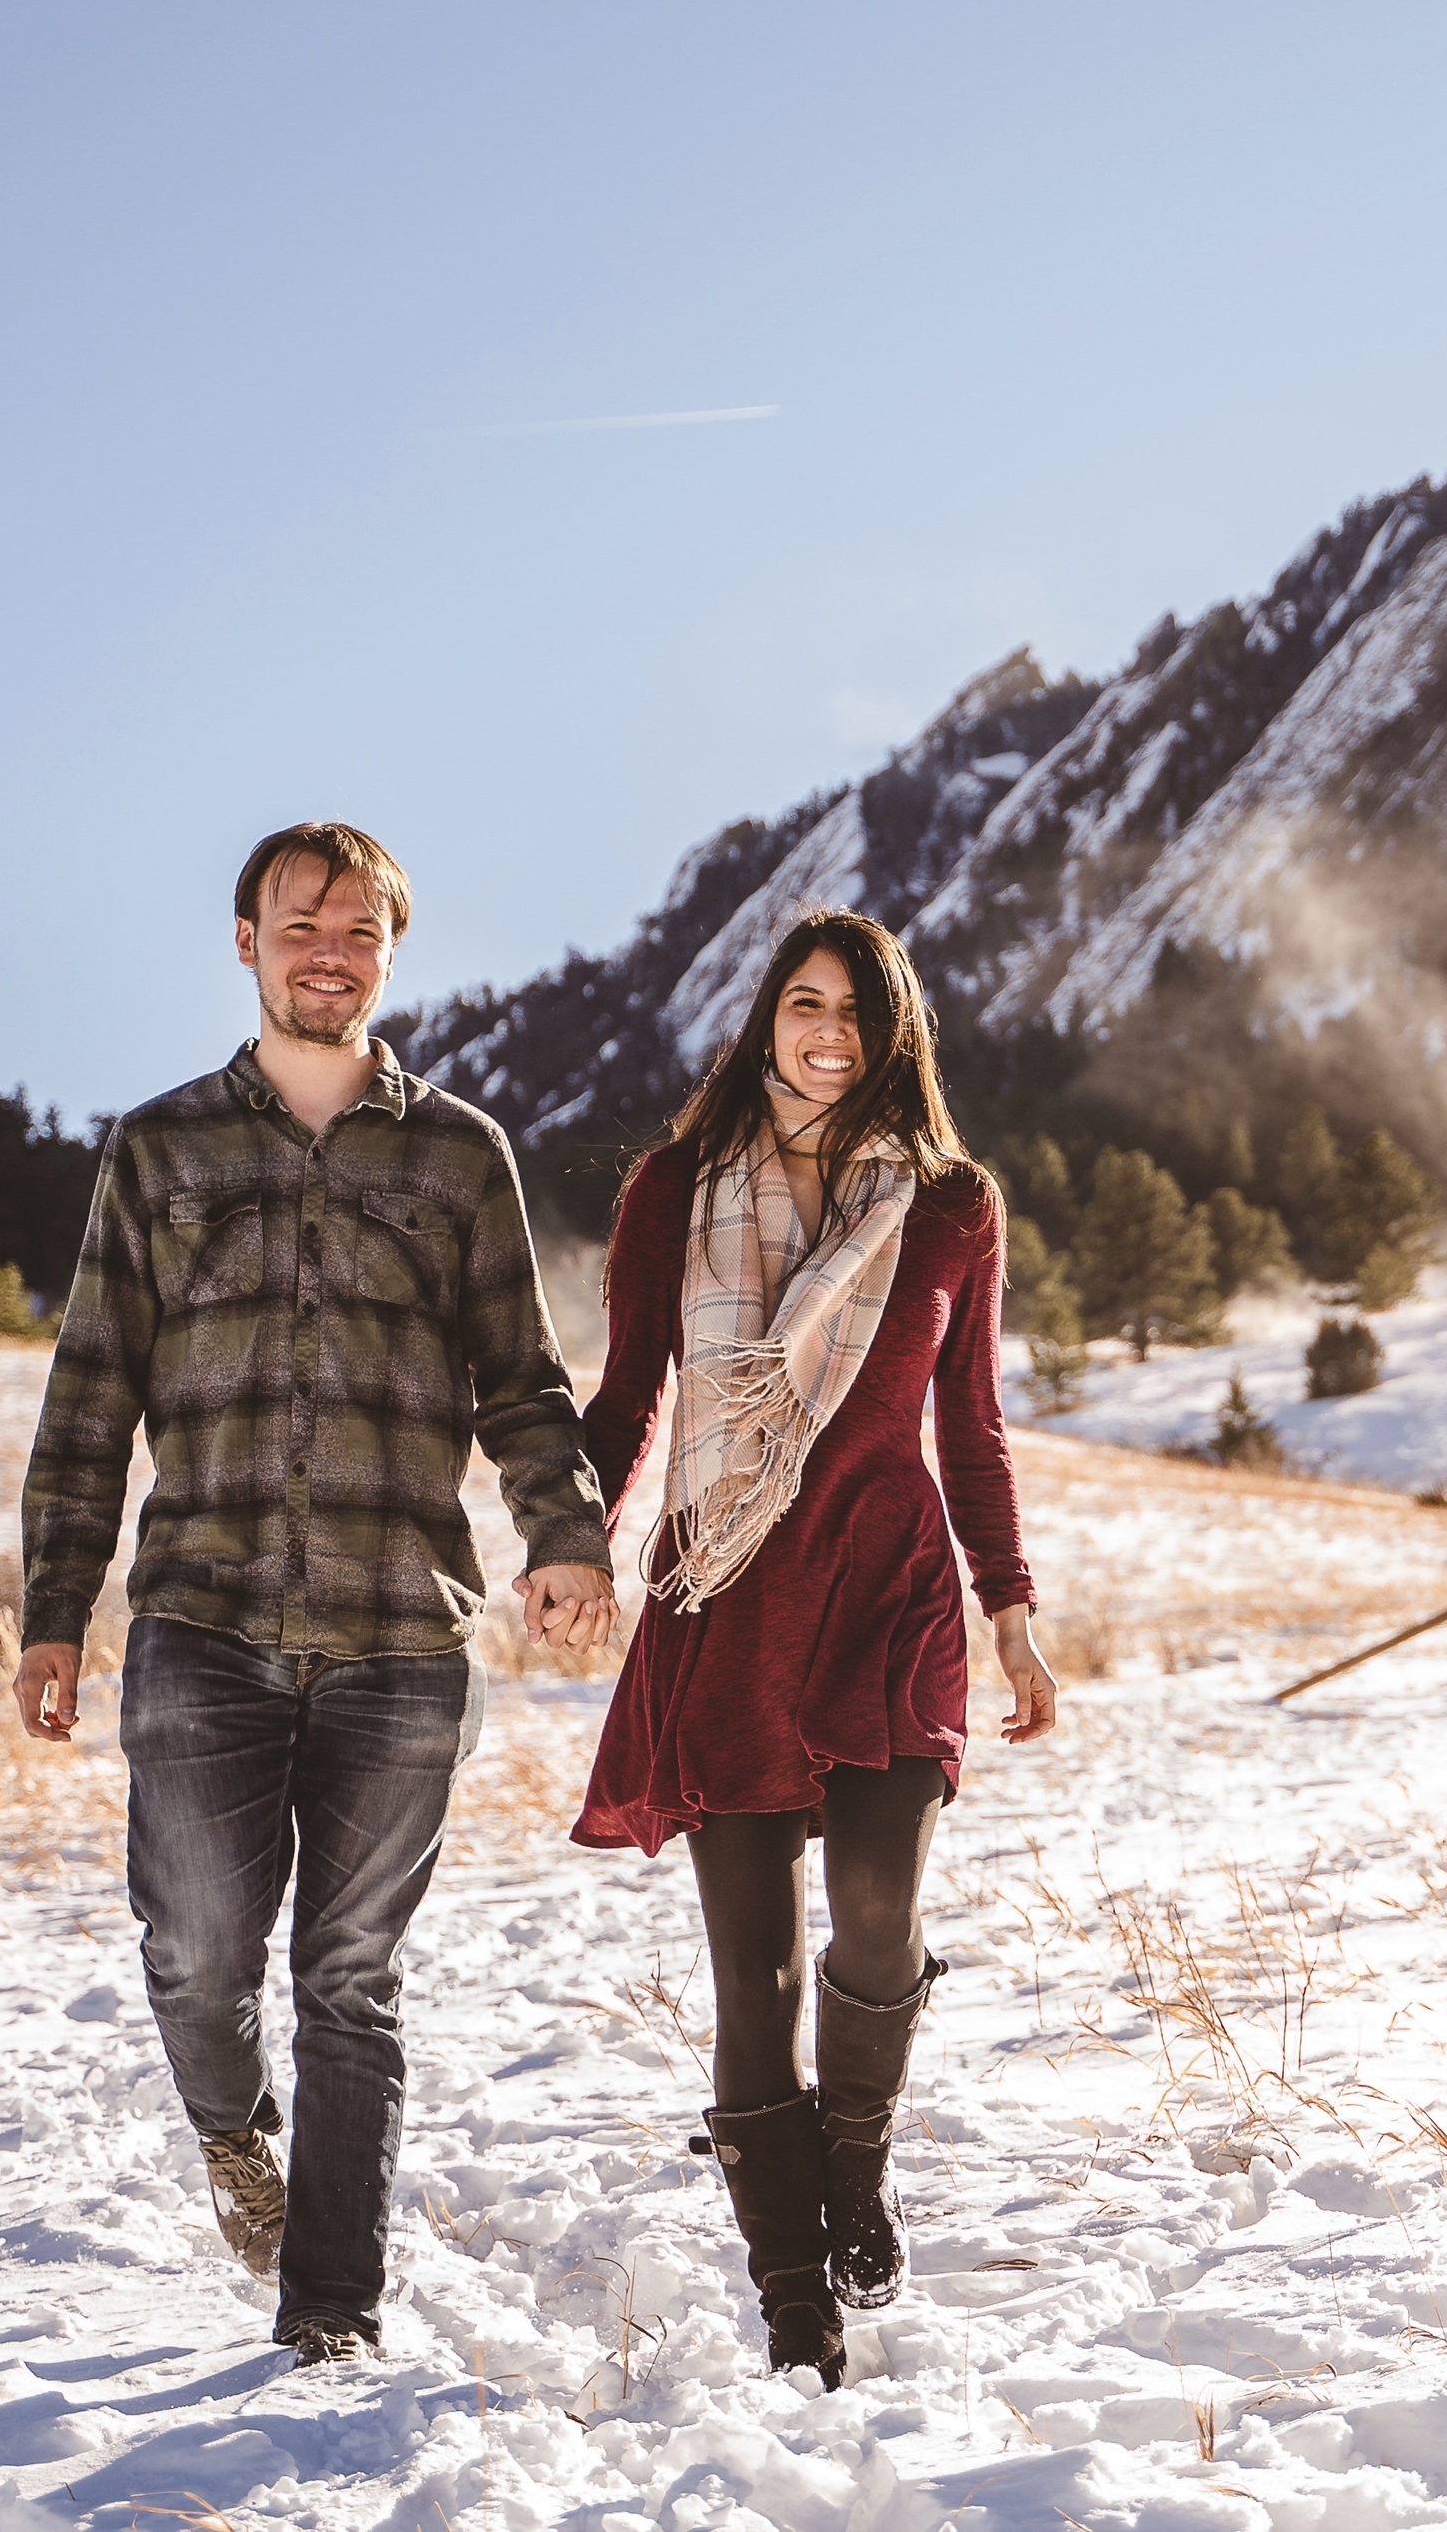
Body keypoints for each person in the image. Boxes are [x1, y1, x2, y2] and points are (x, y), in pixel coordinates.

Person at [18, 822, 619, 2364]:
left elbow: (525, 1382)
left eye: (360, 932)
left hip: (401, 1631)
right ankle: (232, 2129)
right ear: (247, 941)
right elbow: (91, 1395)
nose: (330, 952)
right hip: (200, 1621)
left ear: (390, 955)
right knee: (198, 1949)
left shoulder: (458, 1153)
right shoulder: (158, 1152)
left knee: (352, 1977)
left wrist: (564, 1535)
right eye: (302, 925)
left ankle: (329, 2309)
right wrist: (50, 1612)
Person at [570, 906, 1055, 2389]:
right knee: (754, 1986)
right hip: (729, 1597)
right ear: (764, 1014)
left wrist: (1013, 1609)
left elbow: (968, 1423)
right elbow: (633, 1393)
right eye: (802, 1001)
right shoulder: (674, 1188)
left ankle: (855, 2172)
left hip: (890, 1595)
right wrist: (573, 1534)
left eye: (854, 1008)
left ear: (891, 1028)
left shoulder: (950, 1203)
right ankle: (798, 2305)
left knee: (876, 1922)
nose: (825, 1030)